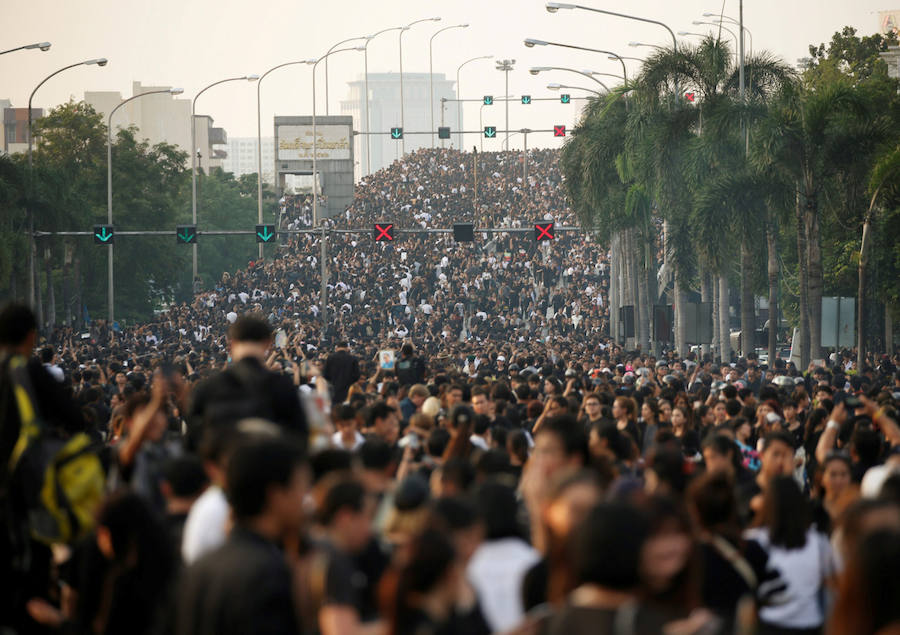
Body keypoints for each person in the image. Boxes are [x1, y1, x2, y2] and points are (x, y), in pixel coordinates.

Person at [175, 437, 308, 635]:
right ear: (276, 495)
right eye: (302, 487)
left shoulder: (200, 568)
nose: (306, 500)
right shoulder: (269, 575)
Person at [186, 314, 307, 449]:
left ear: (231, 344)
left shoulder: (208, 388)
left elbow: (192, 444)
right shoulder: (283, 387)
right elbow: (300, 439)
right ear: (268, 343)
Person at [744, 476, 834, 635]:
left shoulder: (753, 541)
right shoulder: (818, 541)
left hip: (769, 624)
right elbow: (830, 585)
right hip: (810, 624)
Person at [324, 341, 361, 405]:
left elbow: (326, 375)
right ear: (347, 348)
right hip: (348, 391)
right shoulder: (353, 359)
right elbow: (356, 376)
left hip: (334, 391)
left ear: (337, 348)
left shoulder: (330, 358)